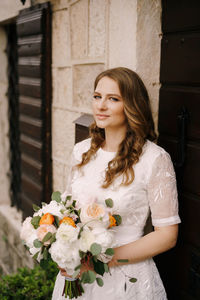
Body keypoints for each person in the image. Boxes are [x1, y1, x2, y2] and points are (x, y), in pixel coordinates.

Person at [52, 67, 181, 299]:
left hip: (126, 277)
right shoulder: (81, 151)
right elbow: (67, 211)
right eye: (97, 96)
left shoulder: (154, 159)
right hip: (77, 274)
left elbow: (167, 235)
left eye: (113, 99)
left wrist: (102, 262)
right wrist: (62, 247)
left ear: (132, 105)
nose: (100, 106)